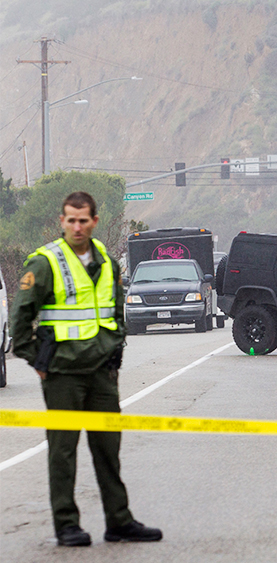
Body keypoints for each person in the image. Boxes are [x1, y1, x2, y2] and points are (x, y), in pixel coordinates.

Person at [11, 192, 162, 547]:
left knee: (108, 449)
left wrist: (113, 354)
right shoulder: (46, 263)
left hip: (101, 374)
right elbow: (20, 319)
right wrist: (40, 362)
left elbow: (115, 313)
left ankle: (119, 522)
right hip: (62, 375)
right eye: (70, 220)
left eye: (83, 220)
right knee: (63, 452)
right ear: (61, 222)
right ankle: (67, 525)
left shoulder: (108, 262)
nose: (77, 226)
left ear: (94, 221)